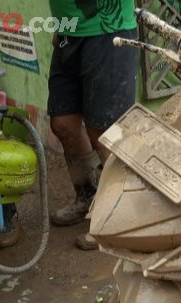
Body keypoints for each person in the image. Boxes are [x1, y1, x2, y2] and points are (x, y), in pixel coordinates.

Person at [47, 0, 138, 249]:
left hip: (108, 31)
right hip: (69, 31)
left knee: (104, 131)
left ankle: (118, 219)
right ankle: (89, 196)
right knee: (63, 123)